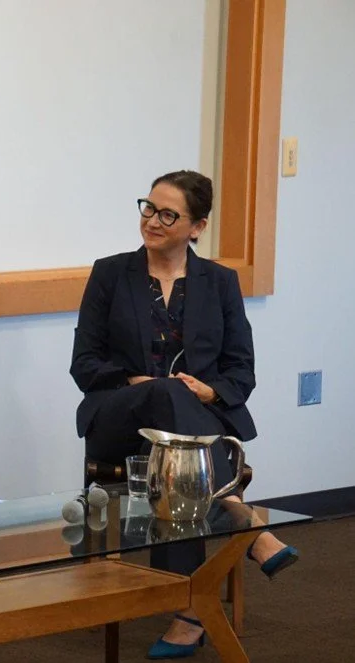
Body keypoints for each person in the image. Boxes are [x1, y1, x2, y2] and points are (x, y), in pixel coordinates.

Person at [70, 170, 298, 659]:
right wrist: (142, 385)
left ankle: (190, 612)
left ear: (197, 226)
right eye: (148, 208)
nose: (152, 221)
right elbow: (84, 364)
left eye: (168, 214)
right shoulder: (110, 273)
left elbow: (241, 369)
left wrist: (210, 392)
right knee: (167, 396)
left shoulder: (219, 282)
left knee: (177, 447)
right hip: (118, 419)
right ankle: (236, 511)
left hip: (189, 432)